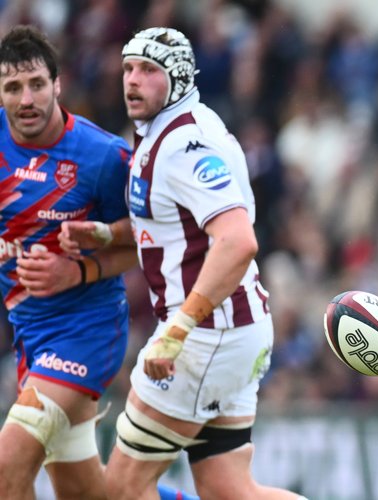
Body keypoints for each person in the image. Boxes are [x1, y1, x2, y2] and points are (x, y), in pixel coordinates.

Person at [61, 27, 302, 500]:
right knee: (229, 490)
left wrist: (177, 332)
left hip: (206, 335)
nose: (131, 81)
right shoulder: (171, 130)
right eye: (128, 68)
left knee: (124, 488)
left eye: (148, 71)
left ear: (177, 78)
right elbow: (176, 226)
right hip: (233, 330)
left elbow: (237, 241)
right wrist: (111, 234)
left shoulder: (183, 145)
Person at [0, 24, 138, 500]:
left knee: (6, 466)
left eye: (37, 84)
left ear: (57, 84)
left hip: (88, 331)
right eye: (12, 87)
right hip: (30, 336)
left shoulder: (103, 158)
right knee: (88, 495)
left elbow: (147, 242)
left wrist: (76, 269)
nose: (26, 98)